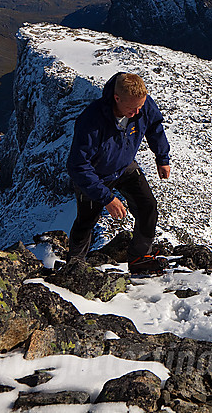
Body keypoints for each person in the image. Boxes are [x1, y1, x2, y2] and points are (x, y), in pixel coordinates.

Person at [66, 72, 171, 274]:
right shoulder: (91, 120)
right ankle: (74, 266)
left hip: (124, 166)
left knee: (147, 206)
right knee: (87, 220)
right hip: (95, 175)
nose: (137, 112)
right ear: (116, 98)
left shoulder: (142, 105)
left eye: (140, 107)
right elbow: (78, 165)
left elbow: (154, 126)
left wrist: (162, 158)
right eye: (131, 108)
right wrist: (106, 197)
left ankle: (140, 258)